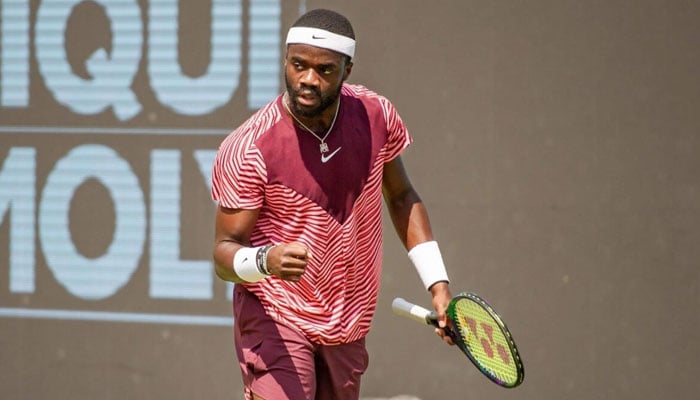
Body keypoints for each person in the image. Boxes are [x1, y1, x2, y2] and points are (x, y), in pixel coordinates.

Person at [211, 8, 453, 400]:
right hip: (276, 314)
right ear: (285, 61)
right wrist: (264, 261)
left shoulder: (376, 116)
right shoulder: (248, 148)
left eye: (324, 70)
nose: (308, 79)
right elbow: (224, 254)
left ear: (347, 70)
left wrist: (437, 284)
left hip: (348, 320)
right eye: (298, 65)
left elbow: (402, 196)